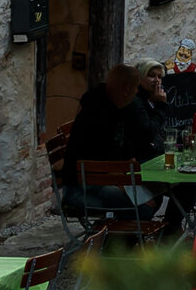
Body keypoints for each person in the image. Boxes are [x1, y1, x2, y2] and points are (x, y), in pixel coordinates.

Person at [62, 63, 175, 232]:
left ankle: (119, 240)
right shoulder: (100, 114)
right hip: (82, 188)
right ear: (126, 89)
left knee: (152, 195)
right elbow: (103, 162)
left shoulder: (112, 104)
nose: (136, 93)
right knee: (144, 206)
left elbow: (122, 149)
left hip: (99, 179)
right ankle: (111, 247)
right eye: (135, 88)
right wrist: (131, 190)